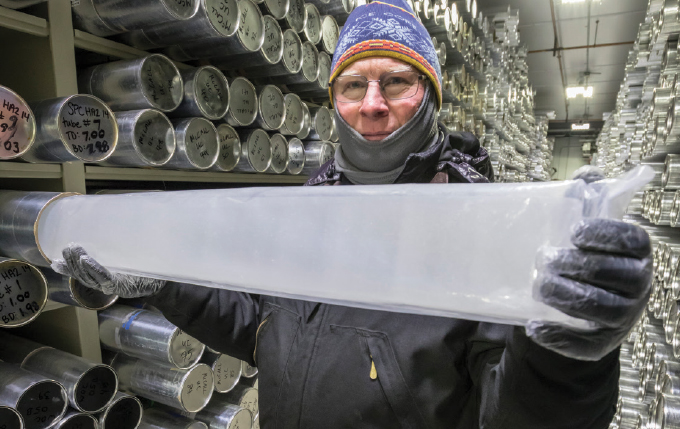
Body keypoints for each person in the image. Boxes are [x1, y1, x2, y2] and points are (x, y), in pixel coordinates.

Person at [54, 1, 652, 428]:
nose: (372, 106)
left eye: (396, 82)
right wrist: (165, 282)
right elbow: (263, 330)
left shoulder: (480, 232)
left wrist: (570, 349)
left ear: (432, 96)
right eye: (353, 86)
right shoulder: (310, 210)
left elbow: (520, 415)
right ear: (332, 101)